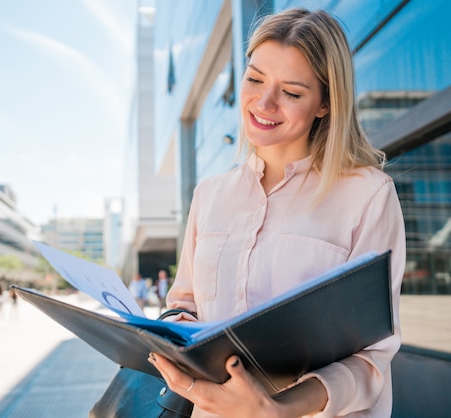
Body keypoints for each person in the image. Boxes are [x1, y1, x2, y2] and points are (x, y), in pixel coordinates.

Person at [148, 8, 406, 418]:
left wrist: (275, 408)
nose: (263, 103)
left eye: (292, 92)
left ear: (325, 104)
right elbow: (187, 301)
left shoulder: (368, 195)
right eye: (254, 79)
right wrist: (175, 324)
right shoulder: (210, 195)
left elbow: (373, 357)